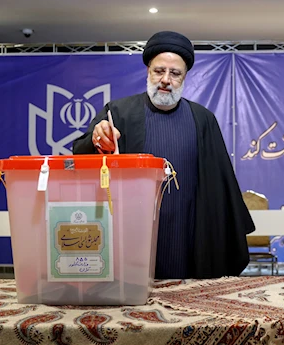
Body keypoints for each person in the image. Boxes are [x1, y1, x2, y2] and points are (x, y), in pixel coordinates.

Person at [72, 30, 255, 280]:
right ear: (148, 71)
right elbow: (80, 154)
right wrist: (97, 139)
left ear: (185, 77)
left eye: (175, 73)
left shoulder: (203, 120)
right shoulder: (119, 112)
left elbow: (221, 188)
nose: (166, 79)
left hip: (188, 235)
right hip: (131, 232)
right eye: (159, 71)